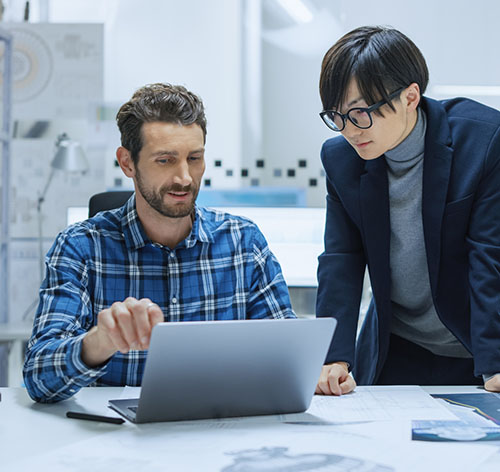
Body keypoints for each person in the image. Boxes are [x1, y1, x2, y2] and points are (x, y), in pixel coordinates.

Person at [24, 83, 295, 403]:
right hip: (117, 441)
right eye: (165, 160)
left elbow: (289, 358)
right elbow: (39, 377)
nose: (185, 177)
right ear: (127, 163)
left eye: (194, 158)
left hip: (219, 433)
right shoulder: (81, 247)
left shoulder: (243, 243)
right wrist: (101, 341)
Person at [314, 26, 500, 396]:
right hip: (397, 347)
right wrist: (333, 357)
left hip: (474, 346)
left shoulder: (482, 140)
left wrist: (496, 360)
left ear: (410, 96)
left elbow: (489, 255)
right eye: (337, 116)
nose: (350, 131)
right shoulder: (340, 159)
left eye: (361, 113)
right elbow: (341, 258)